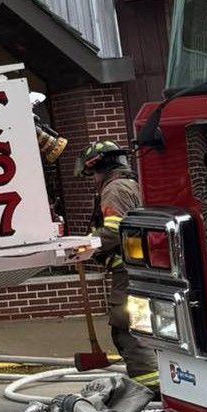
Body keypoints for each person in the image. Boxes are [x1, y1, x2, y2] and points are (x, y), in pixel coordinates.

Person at [76, 141, 158, 388]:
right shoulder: (132, 184)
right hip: (143, 268)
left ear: (101, 168)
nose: (93, 180)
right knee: (143, 324)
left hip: (129, 271)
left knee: (128, 327)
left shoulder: (115, 189)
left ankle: (150, 386)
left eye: (92, 174)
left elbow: (113, 230)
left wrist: (83, 246)